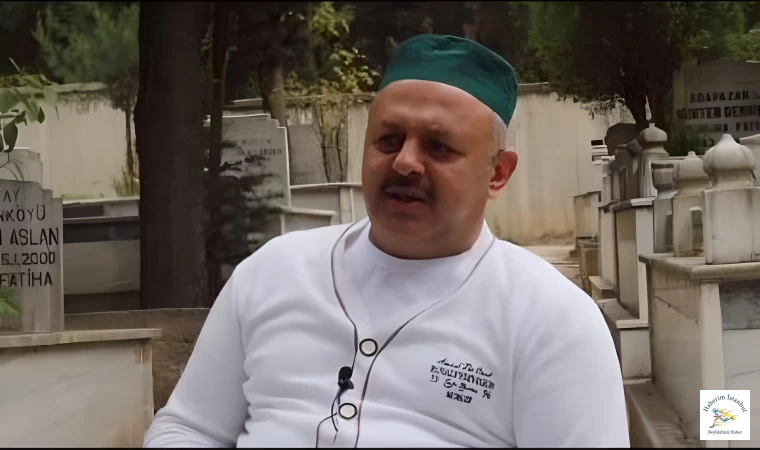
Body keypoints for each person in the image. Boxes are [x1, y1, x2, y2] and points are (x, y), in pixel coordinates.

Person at [144, 34, 629, 448]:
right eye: (388, 140)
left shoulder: (552, 320)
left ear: (497, 174)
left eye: (439, 146)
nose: (405, 163)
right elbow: (188, 428)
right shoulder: (272, 273)